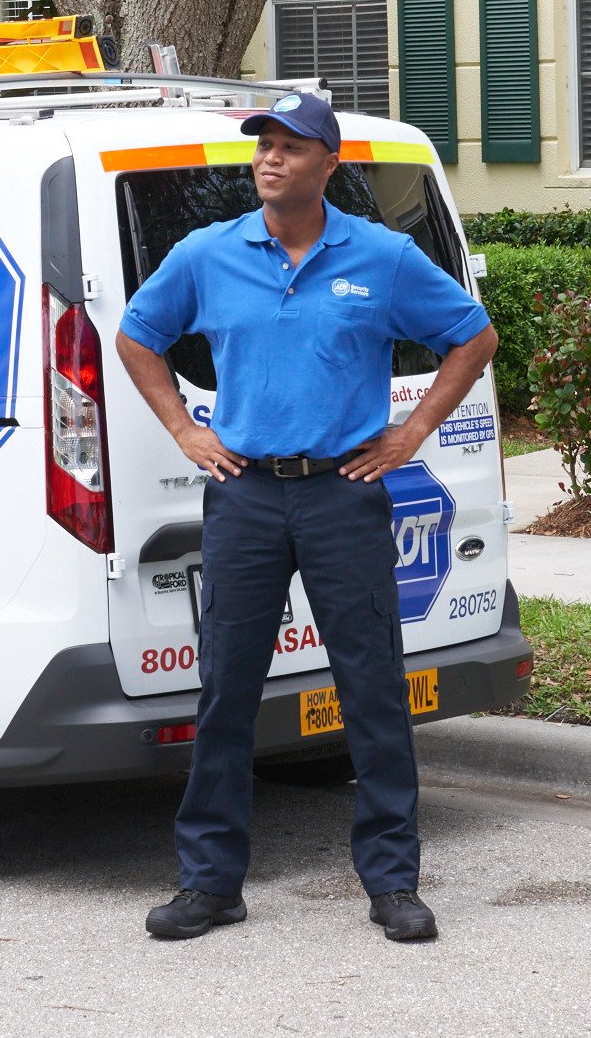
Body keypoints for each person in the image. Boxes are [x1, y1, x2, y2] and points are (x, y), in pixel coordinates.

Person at [115, 92, 498, 945]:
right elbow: (137, 335)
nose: (271, 160)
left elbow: (473, 337)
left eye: (292, 147)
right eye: (265, 147)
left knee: (371, 689)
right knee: (225, 691)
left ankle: (393, 882)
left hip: (342, 493)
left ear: (329, 163)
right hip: (246, 495)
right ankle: (211, 884)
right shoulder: (207, 254)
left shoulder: (383, 257)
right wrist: (184, 427)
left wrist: (413, 432)